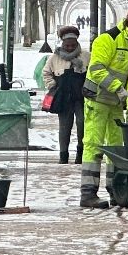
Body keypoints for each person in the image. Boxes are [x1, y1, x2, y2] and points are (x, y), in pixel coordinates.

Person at [81, 4, 128, 208]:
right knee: (93, 143)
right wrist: (118, 88)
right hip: (98, 99)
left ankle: (115, 190)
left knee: (117, 147)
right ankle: (88, 192)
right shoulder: (108, 39)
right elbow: (96, 69)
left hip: (116, 103)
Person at [42, 26, 87, 164]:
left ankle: (81, 153)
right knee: (64, 127)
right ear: (62, 43)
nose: (69, 48)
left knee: (83, 123)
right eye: (67, 45)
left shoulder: (86, 56)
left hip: (81, 97)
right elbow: (46, 73)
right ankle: (63, 155)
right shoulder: (54, 58)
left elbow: (92, 73)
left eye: (73, 45)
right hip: (64, 98)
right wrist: (52, 85)